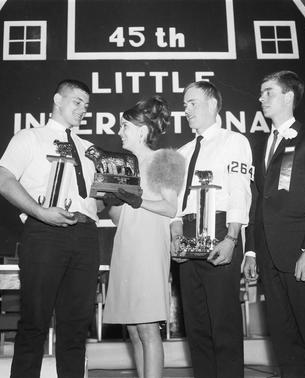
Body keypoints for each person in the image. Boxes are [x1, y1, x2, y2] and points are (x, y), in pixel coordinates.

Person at [0, 79, 100, 378]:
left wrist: (114, 192)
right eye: (77, 102)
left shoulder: (90, 149)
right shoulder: (29, 138)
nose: (82, 109)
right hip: (44, 233)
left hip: (86, 235)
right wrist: (40, 212)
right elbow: (3, 180)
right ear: (57, 99)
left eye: (86, 105)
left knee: (76, 327)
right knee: (34, 324)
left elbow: (94, 201)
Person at [243, 70, 305, 378]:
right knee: (285, 344)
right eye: (261, 93)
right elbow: (258, 201)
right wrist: (253, 252)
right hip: (270, 260)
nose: (261, 98)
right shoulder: (262, 144)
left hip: (301, 256)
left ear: (288, 97)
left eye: (268, 92)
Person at [170, 81, 253, 378]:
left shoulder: (234, 141)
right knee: (196, 326)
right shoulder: (181, 151)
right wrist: (176, 236)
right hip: (189, 233)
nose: (187, 109)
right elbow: (177, 205)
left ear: (213, 104)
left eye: (193, 103)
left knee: (224, 323)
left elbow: (240, 193)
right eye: (185, 104)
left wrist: (232, 238)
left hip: (220, 229)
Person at [102, 96, 185, 378]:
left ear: (141, 130)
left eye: (124, 126)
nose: (119, 132)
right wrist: (113, 200)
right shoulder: (123, 164)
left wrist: (138, 201)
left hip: (149, 250)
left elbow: (170, 207)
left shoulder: (166, 159)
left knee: (148, 328)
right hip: (126, 246)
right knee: (134, 329)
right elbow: (118, 217)